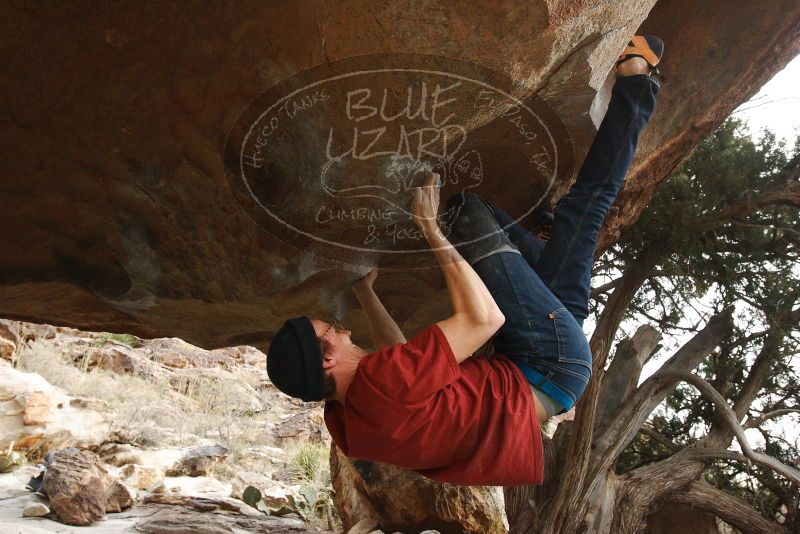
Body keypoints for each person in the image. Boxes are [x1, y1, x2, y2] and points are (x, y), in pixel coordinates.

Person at [266, 36, 663, 486]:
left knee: (569, 225)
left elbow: (401, 365)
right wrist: (429, 229)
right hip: (545, 355)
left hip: (548, 373)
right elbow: (484, 317)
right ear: (324, 361)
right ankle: (637, 85)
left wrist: (367, 293)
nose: (341, 328)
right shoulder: (380, 389)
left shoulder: (350, 424)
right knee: (475, 213)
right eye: (328, 332)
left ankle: (549, 253)